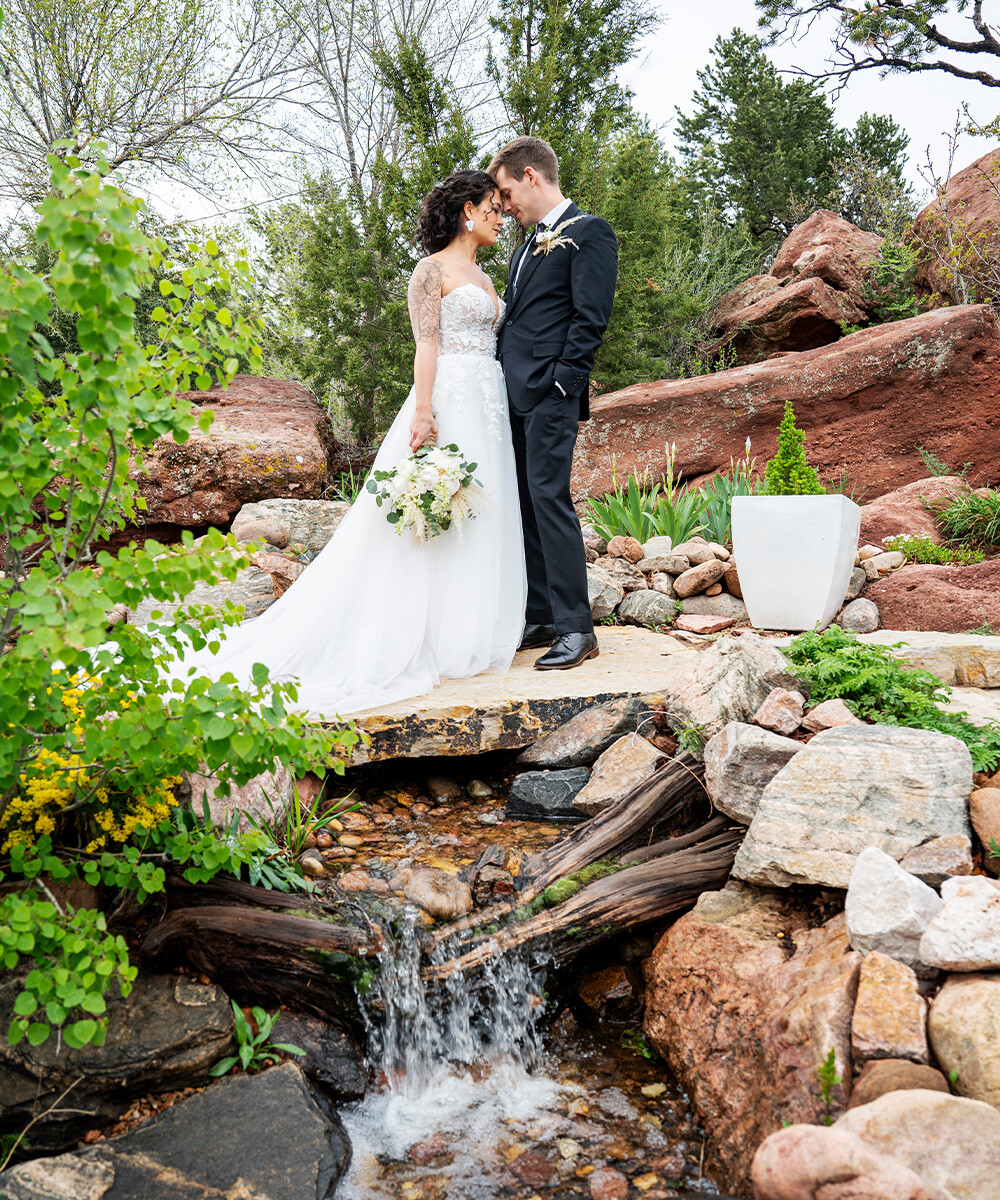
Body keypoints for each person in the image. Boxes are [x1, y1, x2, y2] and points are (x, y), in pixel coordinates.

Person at [165, 171, 527, 719]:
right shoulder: (430, 272)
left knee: (477, 511)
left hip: (489, 403)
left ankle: (466, 634)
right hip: (449, 399)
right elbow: (425, 345)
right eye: (493, 208)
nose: (501, 216)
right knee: (429, 514)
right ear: (467, 213)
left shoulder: (483, 275)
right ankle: (411, 635)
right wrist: (426, 411)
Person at [489, 136, 618, 672]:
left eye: (505, 191)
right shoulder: (526, 246)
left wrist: (565, 383)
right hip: (512, 393)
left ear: (530, 176)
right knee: (524, 501)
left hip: (550, 393)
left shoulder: (588, 232)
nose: (503, 205)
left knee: (550, 498)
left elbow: (591, 317)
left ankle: (576, 627)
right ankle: (541, 615)